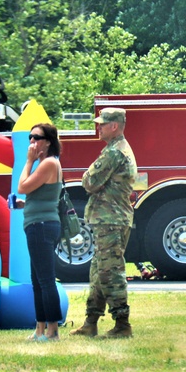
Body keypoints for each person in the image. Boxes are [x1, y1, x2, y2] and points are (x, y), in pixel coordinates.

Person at [71, 108, 137, 338]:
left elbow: (89, 182)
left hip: (111, 220)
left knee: (110, 272)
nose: (98, 127)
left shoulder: (114, 153)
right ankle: (91, 322)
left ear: (114, 126)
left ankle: (122, 324)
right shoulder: (116, 149)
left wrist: (88, 175)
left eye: (102, 124)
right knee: (98, 272)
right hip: (110, 219)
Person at [17, 122, 64, 342]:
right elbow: (35, 194)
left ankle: (52, 331)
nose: (32, 142)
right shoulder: (45, 164)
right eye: (30, 138)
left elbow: (23, 186)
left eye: (37, 138)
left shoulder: (47, 164)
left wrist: (28, 161)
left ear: (48, 142)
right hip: (38, 224)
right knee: (37, 280)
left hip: (41, 226)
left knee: (45, 280)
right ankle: (39, 329)